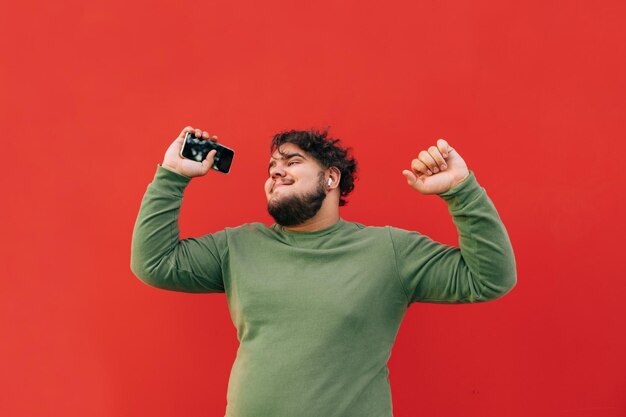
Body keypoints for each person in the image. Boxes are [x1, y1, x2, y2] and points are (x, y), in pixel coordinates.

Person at [131, 126, 517, 417]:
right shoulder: (237, 246)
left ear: (331, 178)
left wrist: (460, 191)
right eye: (272, 168)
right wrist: (172, 174)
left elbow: (490, 278)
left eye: (292, 163)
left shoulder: (389, 251)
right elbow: (154, 263)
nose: (276, 173)